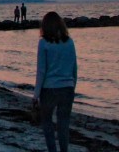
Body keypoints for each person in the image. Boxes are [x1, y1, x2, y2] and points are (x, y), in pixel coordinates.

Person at [33, 11, 77, 152]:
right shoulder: (69, 42)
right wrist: (72, 87)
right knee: (64, 124)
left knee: (47, 123)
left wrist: (36, 94)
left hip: (49, 89)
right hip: (67, 88)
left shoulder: (44, 43)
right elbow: (74, 68)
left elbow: (41, 71)